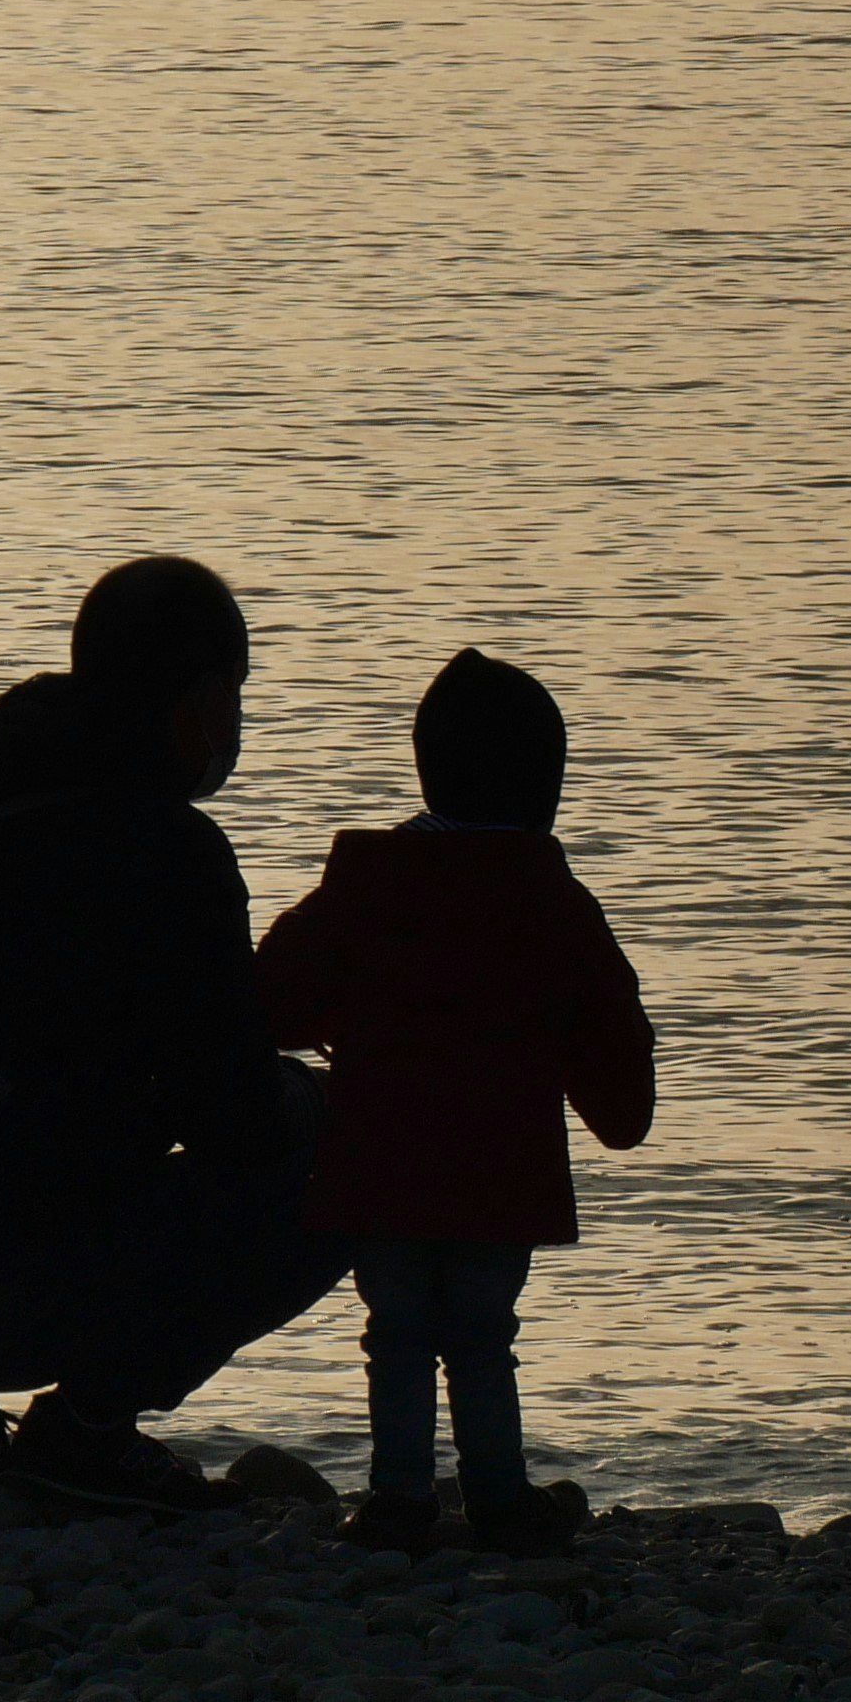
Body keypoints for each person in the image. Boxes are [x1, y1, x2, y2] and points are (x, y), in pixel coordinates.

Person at [0, 554, 344, 1510]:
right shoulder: (166, 851)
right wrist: (313, 1088)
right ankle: (86, 1429)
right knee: (347, 1150)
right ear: (203, 698)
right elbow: (236, 1118)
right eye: (235, 693)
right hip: (2, 1293)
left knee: (30, 1134)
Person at [253, 647, 656, 1557]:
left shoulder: (365, 884)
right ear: (544, 788)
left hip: (380, 1168)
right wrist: (619, 1105)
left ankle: (397, 1498)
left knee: (394, 1332)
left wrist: (331, 1026)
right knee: (480, 1336)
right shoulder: (550, 902)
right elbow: (607, 1030)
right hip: (497, 1178)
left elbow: (272, 994)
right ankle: (498, 1497)